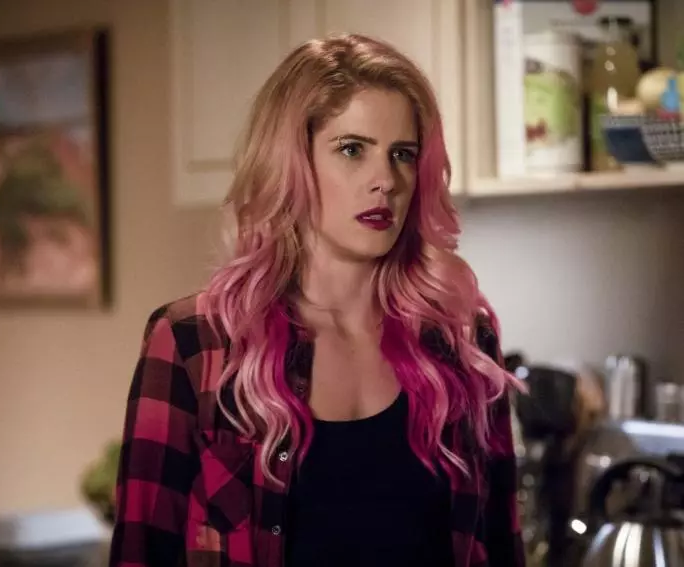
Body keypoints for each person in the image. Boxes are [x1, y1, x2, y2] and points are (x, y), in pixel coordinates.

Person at [109, 33, 525, 567]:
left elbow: (503, 543)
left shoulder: (461, 338)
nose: (385, 181)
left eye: (402, 154)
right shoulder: (196, 343)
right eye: (352, 150)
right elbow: (141, 551)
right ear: (293, 163)